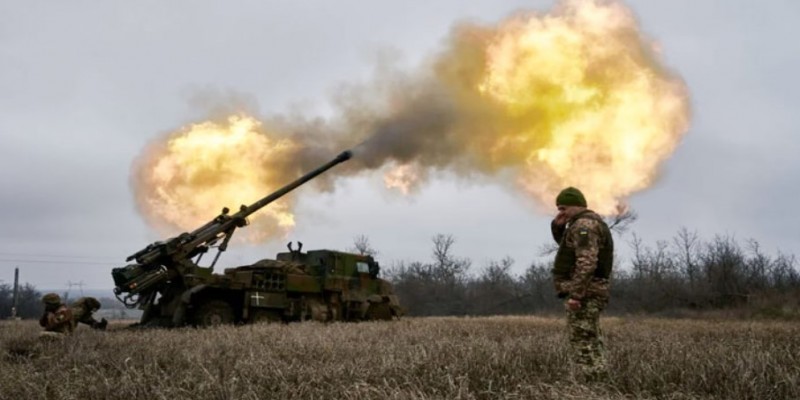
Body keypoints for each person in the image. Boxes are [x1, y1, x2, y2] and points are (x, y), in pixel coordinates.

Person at [550, 187, 614, 381]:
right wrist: (558, 227)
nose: (561, 213)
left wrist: (577, 295)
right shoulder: (585, 223)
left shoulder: (583, 225)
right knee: (590, 339)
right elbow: (569, 247)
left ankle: (597, 386)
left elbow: (586, 262)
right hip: (591, 291)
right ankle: (600, 383)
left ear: (576, 206)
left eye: (563, 208)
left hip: (586, 293)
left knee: (583, 341)